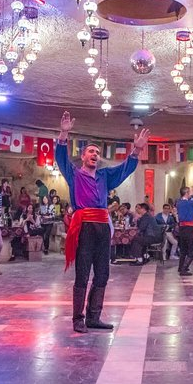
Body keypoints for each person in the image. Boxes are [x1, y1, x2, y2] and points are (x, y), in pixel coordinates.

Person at [56, 111, 149, 333]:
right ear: (83, 156)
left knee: (102, 273)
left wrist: (136, 149)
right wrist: (63, 134)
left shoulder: (105, 176)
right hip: (84, 227)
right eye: (91, 151)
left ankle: (94, 316)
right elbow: (60, 157)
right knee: (82, 273)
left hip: (102, 227)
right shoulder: (73, 174)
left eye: (97, 152)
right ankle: (78, 318)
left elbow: (126, 168)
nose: (95, 154)